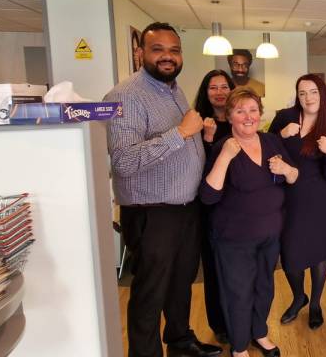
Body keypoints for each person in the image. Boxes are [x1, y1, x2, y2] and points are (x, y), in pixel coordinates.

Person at [104, 22, 221, 357]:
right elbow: (124, 161)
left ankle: (180, 340)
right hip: (151, 212)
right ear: (140, 53)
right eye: (158, 50)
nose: (168, 57)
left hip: (184, 208)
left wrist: (200, 137)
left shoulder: (173, 89)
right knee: (150, 293)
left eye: (174, 50)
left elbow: (182, 140)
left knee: (181, 282)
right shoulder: (124, 96)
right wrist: (182, 133)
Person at [200, 87, 299, 357]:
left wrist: (286, 169)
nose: (248, 116)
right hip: (234, 238)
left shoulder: (271, 142)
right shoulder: (224, 146)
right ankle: (240, 346)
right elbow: (208, 196)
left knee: (264, 287)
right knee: (238, 293)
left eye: (253, 110)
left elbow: (294, 177)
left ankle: (260, 332)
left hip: (270, 235)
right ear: (230, 116)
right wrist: (224, 158)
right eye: (240, 111)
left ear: (260, 114)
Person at [268, 74, 326, 330]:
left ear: (322, 94)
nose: (308, 98)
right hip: (288, 197)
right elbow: (267, 149)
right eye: (302, 93)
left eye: (313, 92)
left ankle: (315, 304)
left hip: (318, 197)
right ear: (297, 96)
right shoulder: (285, 117)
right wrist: (280, 134)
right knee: (289, 253)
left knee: (319, 253)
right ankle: (299, 296)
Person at [192, 69, 236, 344]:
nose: (219, 92)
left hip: (239, 206)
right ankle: (220, 323)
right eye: (213, 88)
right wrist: (207, 140)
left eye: (224, 87)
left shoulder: (240, 121)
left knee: (240, 267)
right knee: (214, 266)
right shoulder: (197, 123)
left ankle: (244, 318)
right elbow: (197, 170)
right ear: (205, 93)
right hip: (211, 208)